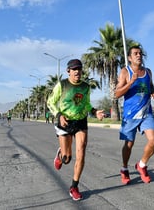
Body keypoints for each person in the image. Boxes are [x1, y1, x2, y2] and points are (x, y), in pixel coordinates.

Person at [47, 58, 104, 201]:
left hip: (80, 122)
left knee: (81, 153)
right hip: (64, 122)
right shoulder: (62, 85)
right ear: (68, 71)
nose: (77, 71)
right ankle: (61, 154)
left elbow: (86, 104)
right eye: (74, 69)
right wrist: (59, 115)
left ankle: (74, 186)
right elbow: (50, 102)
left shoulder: (85, 87)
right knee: (67, 159)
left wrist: (94, 111)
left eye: (79, 69)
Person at [115, 45, 154, 185]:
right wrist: (131, 82)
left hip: (146, 112)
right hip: (130, 115)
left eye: (140, 53)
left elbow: (150, 85)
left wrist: (152, 92)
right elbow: (117, 94)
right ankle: (124, 168)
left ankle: (141, 165)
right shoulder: (125, 72)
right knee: (129, 144)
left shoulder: (148, 72)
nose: (139, 55)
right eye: (135, 53)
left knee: (153, 140)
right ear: (129, 58)